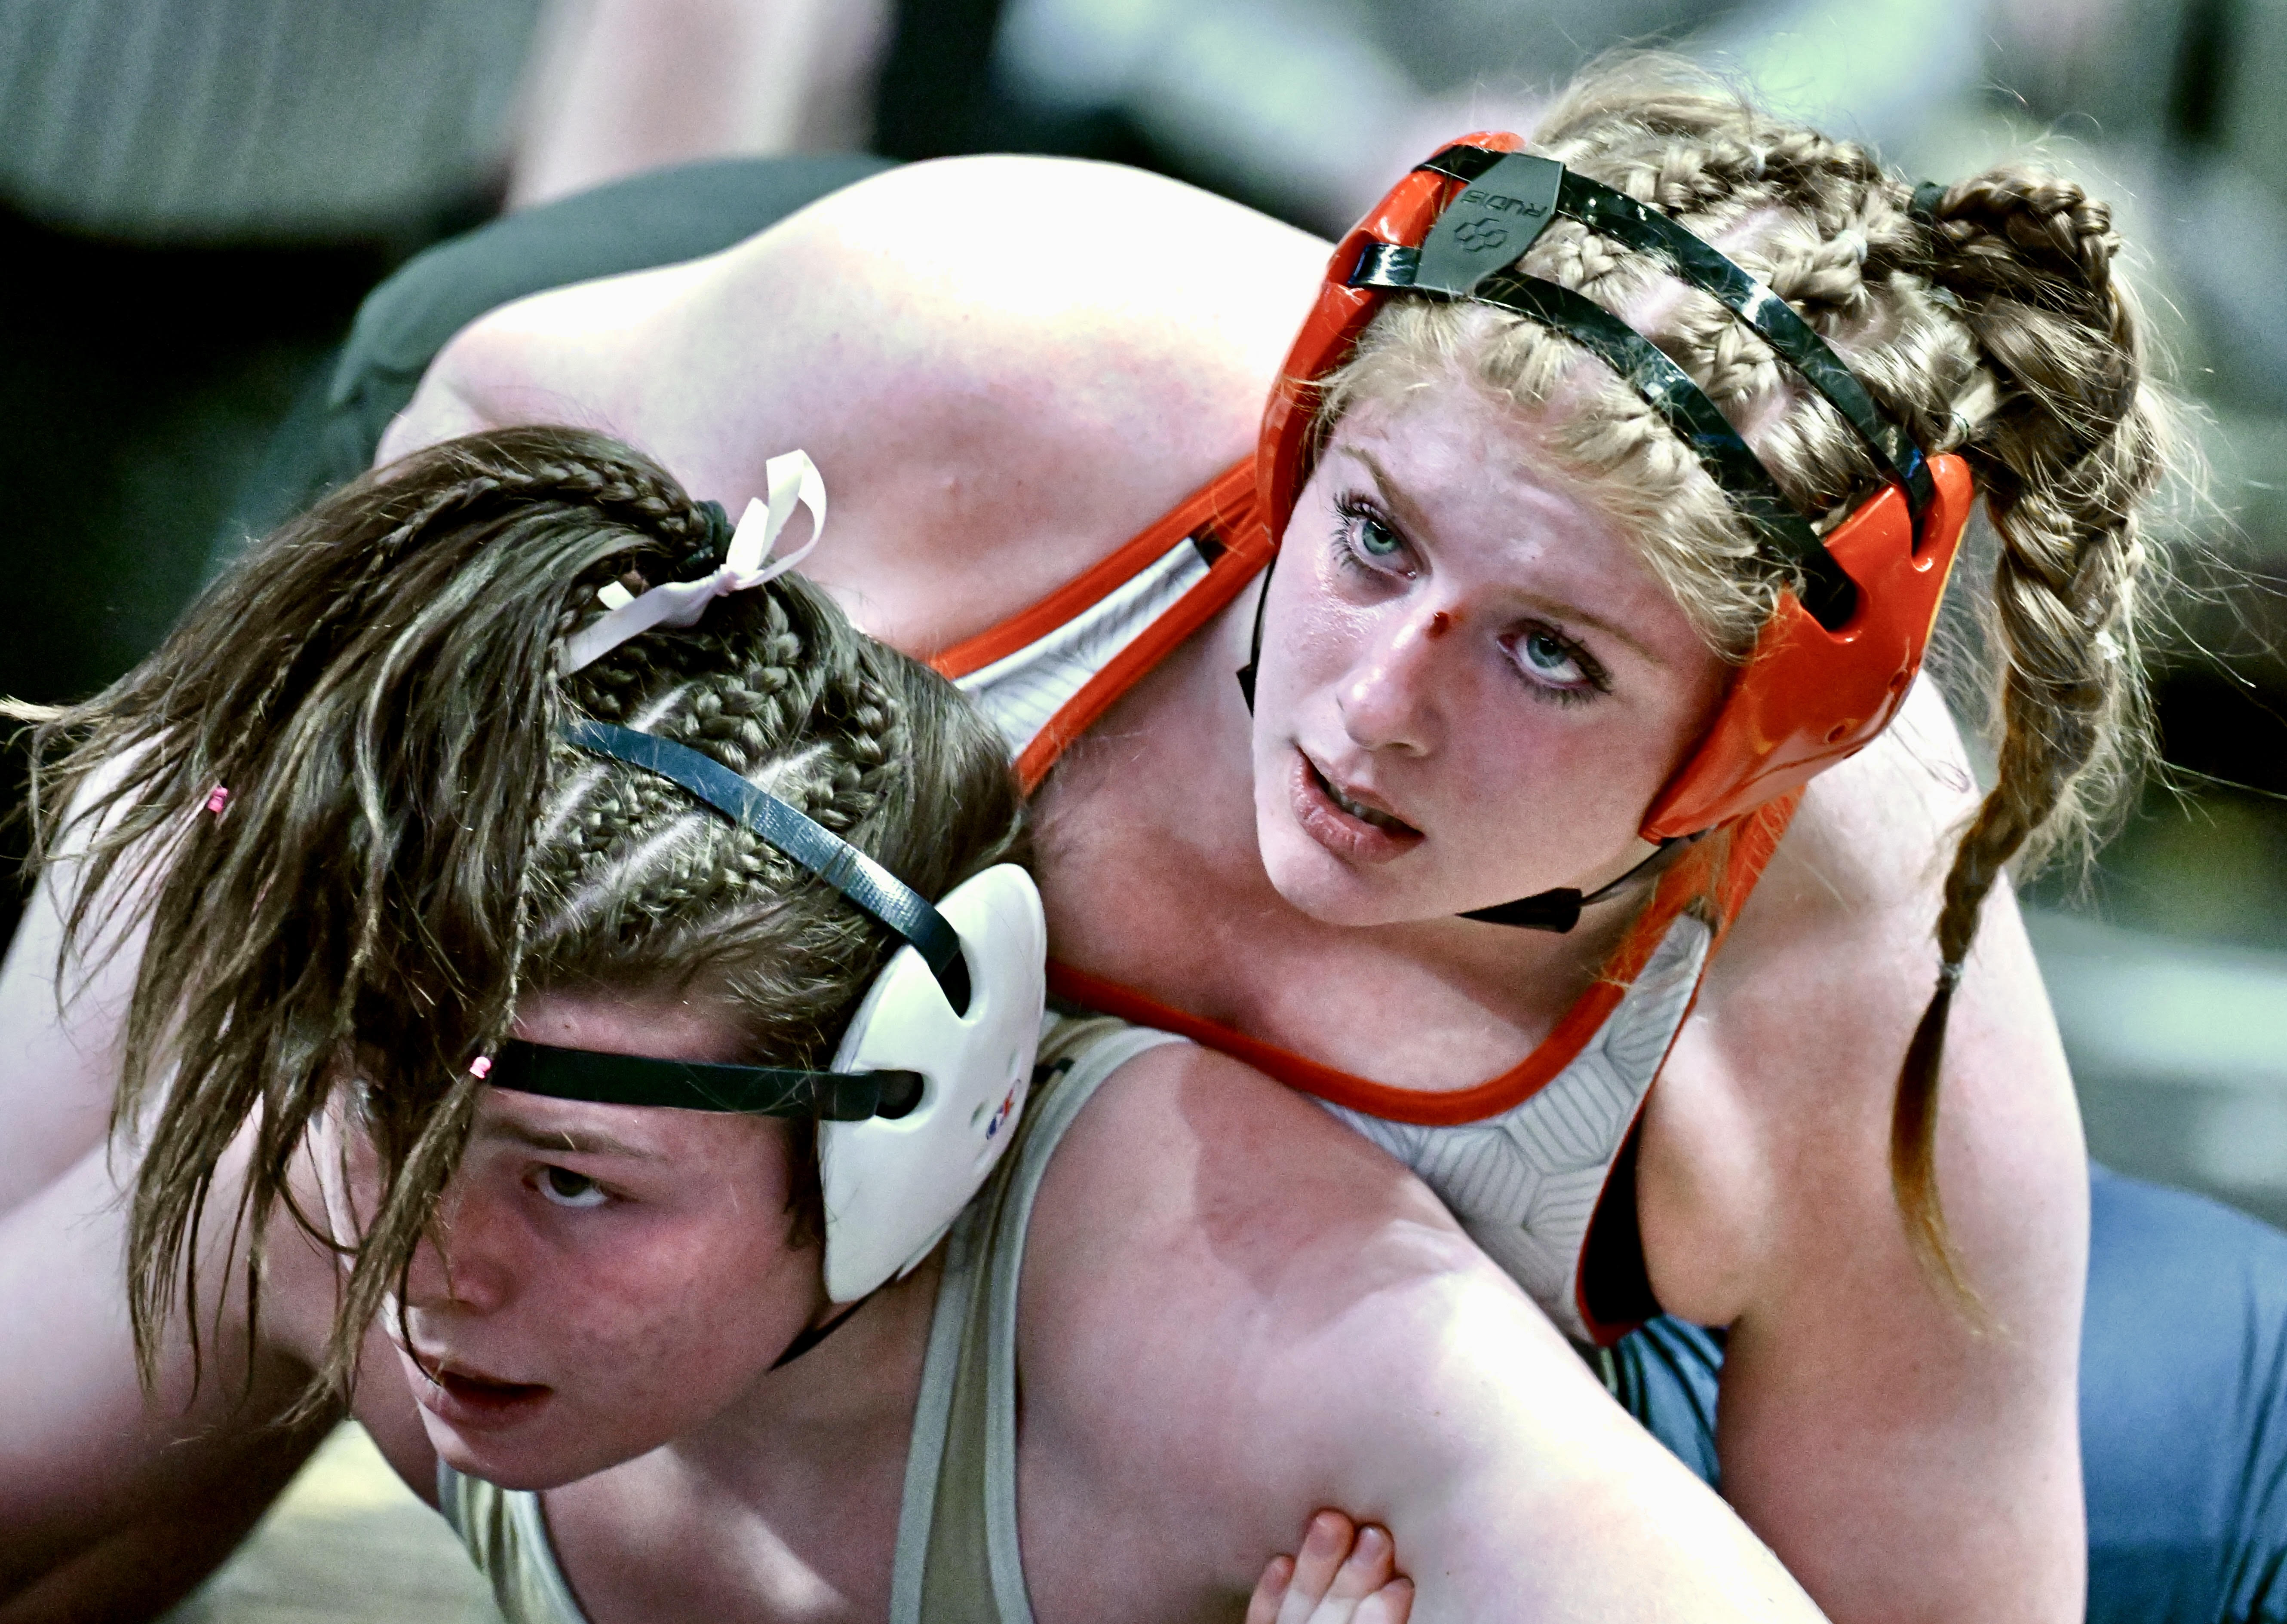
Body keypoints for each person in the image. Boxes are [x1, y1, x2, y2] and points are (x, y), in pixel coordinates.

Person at [0, 426, 1821, 1623]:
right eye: (400, 1114)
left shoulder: (1248, 1323)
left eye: (571, 1184)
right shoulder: (329, 1175)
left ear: (907, 1133)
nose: (434, 1269)